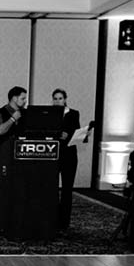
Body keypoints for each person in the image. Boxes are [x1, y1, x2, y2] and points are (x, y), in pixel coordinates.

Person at [51, 88, 81, 229]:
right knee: (52, 188)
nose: (57, 101)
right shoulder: (50, 113)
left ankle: (65, 221)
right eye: (55, 99)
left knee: (67, 189)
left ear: (65, 99)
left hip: (69, 155)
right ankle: (53, 218)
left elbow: (77, 132)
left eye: (60, 98)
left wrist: (67, 135)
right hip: (54, 154)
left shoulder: (73, 114)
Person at [0, 86, 27, 184]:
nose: (25, 101)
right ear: (14, 98)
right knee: (4, 186)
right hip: (0, 156)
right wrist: (12, 119)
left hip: (18, 156)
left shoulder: (25, 113)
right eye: (22, 98)